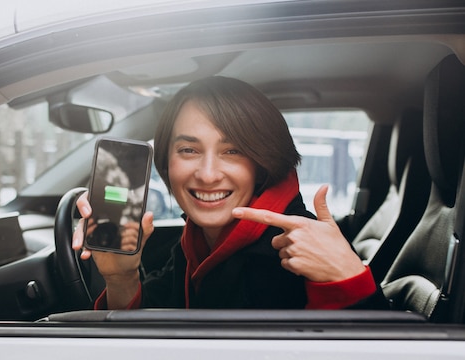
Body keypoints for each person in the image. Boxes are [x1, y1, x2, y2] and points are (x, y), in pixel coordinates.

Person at [72, 76, 389, 310]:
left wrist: (348, 278)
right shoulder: (196, 243)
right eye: (188, 149)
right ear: (166, 162)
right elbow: (142, 342)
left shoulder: (296, 251)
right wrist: (120, 278)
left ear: (262, 162)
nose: (208, 174)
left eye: (233, 150)